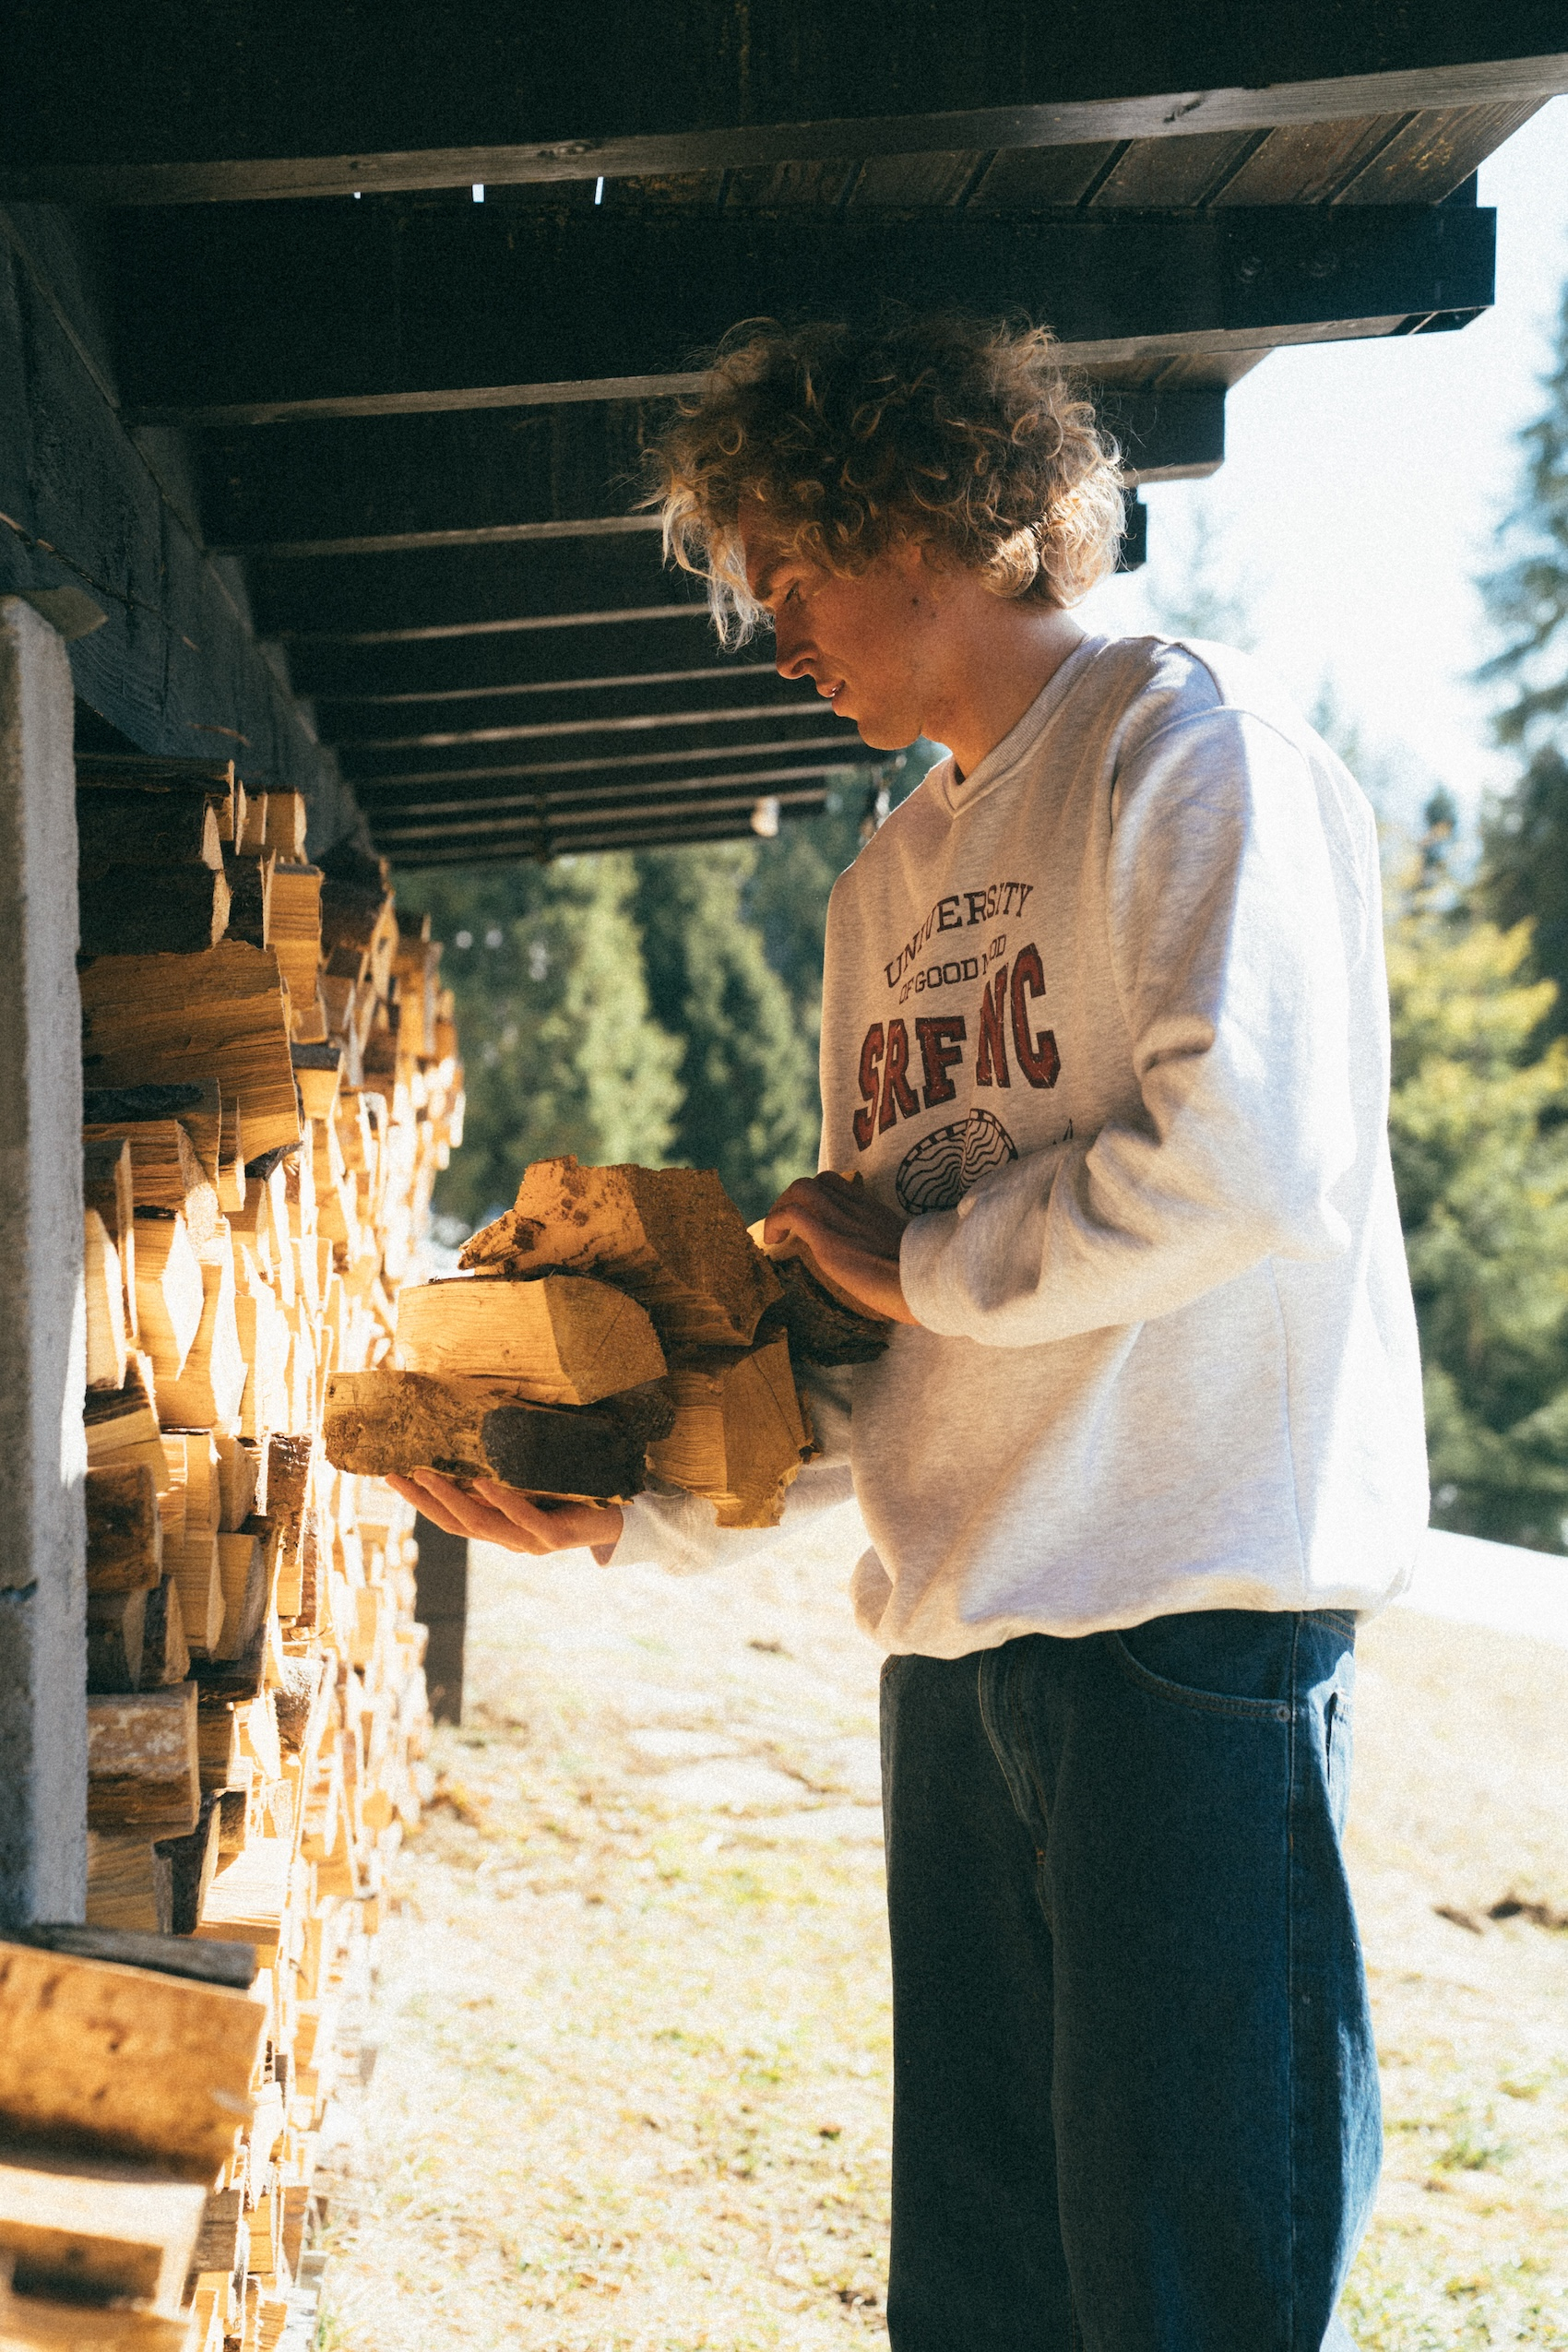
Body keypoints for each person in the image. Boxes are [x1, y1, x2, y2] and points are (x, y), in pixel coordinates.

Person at [396, 314, 1429, 2352]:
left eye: (788, 575)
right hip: (958, 1639)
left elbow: (1255, 1157)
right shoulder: (888, 880)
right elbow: (886, 1332)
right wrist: (650, 1522)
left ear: (925, 519)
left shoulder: (1186, 749)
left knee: (1181, 2291)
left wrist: (924, 1268)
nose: (776, 638)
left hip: (1184, 1629)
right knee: (984, 2299)